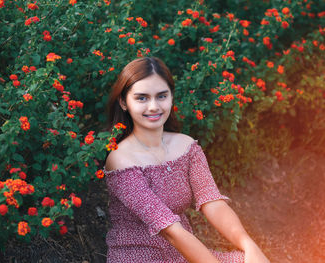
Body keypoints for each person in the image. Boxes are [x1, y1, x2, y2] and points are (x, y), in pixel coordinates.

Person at [104, 57, 270, 263]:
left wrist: (249, 245)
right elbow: (171, 231)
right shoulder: (120, 159)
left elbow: (213, 203)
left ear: (171, 97)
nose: (154, 106)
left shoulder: (186, 146)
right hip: (138, 257)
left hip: (184, 256)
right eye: (142, 98)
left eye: (161, 96)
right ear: (123, 102)